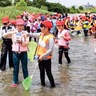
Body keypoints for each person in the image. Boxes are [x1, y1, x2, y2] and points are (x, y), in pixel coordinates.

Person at [27, 20, 55, 88]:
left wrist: (43, 55)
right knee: (41, 72)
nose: (41, 28)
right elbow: (33, 34)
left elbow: (51, 49)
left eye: (42, 27)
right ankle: (42, 86)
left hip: (46, 59)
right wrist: (26, 33)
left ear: (47, 28)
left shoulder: (51, 38)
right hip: (40, 58)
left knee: (48, 73)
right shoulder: (41, 34)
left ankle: (53, 86)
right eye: (41, 26)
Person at [3, 19, 29, 87]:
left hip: (24, 53)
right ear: (16, 26)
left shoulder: (25, 33)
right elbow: (4, 35)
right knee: (15, 68)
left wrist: (21, 42)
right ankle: (15, 81)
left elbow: (26, 44)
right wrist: (12, 32)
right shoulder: (13, 33)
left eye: (21, 25)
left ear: (23, 26)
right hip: (15, 53)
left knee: (25, 68)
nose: (19, 27)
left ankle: (26, 82)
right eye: (18, 25)